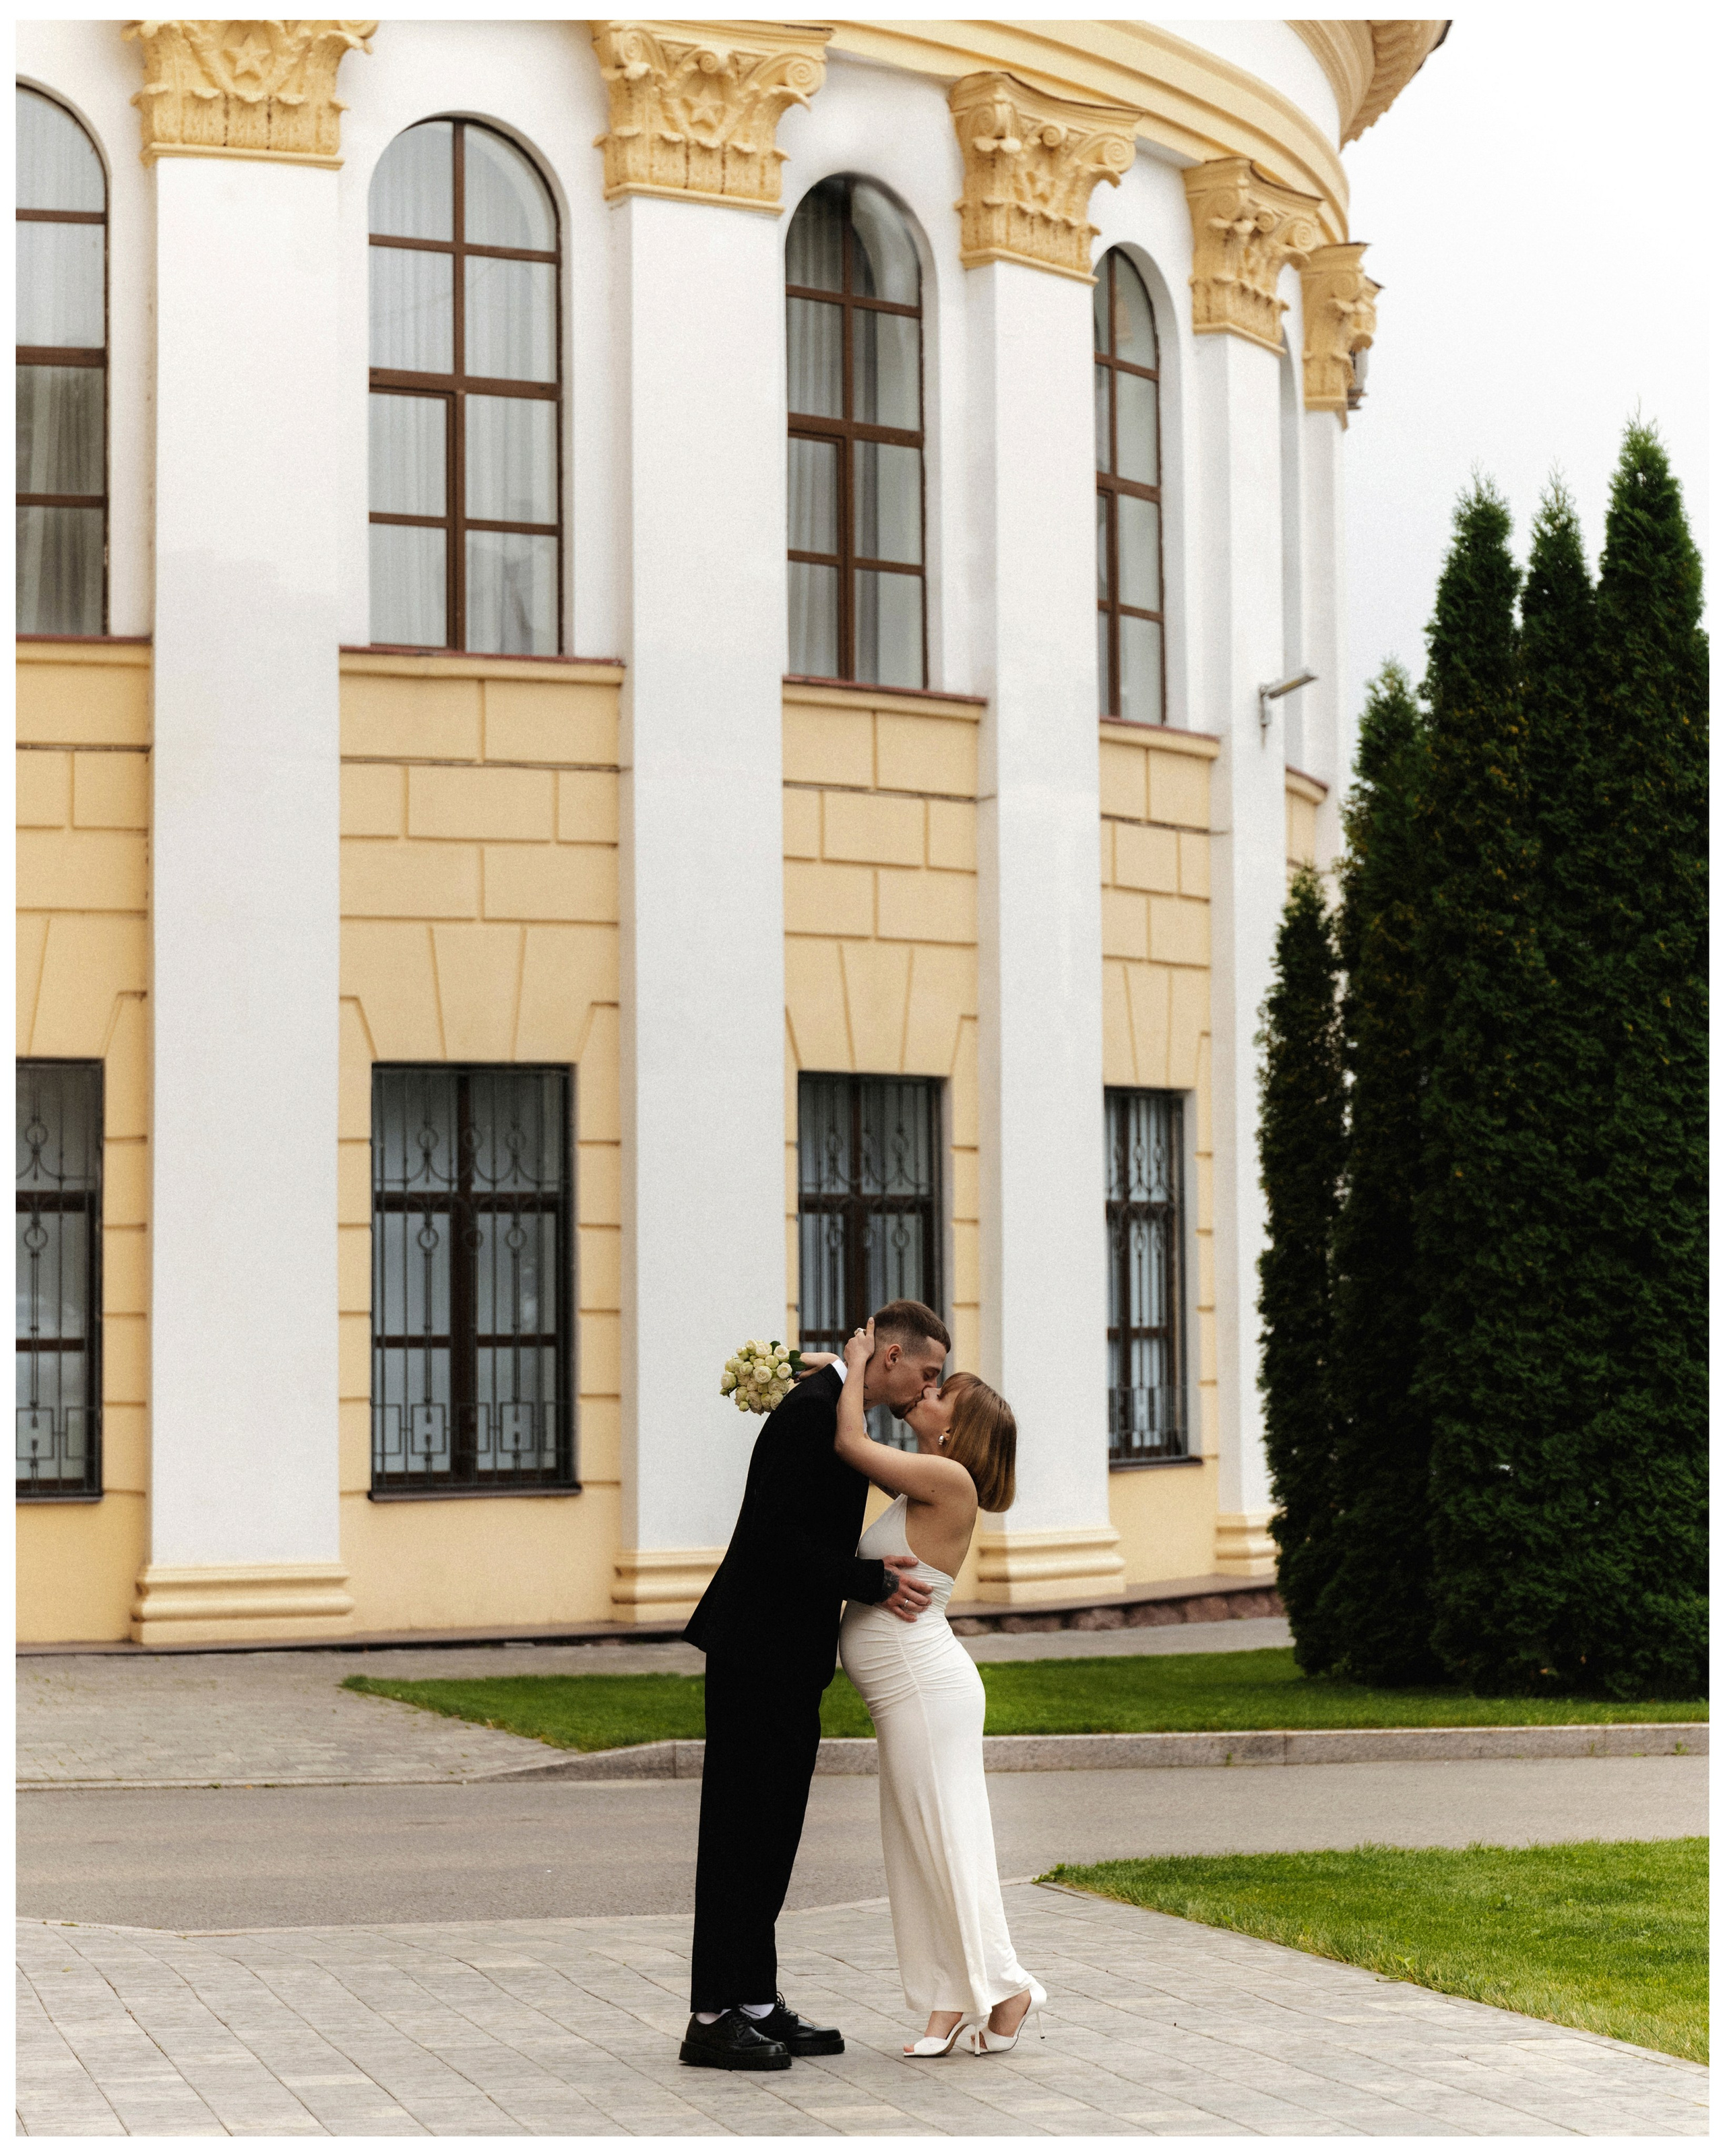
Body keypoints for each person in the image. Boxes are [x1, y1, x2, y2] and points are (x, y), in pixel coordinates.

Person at [678, 1299, 952, 2071]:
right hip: (753, 1650)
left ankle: (755, 2001)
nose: (924, 1390)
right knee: (738, 1832)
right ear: (889, 1357)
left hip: (785, 1655)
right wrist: (867, 1579)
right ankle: (710, 2016)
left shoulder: (828, 1407)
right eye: (925, 1373)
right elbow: (773, 1539)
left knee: (772, 1831)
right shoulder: (807, 1415)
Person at [832, 1320, 1046, 2058]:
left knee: (949, 1842)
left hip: (925, 1687)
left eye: (939, 1391)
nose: (926, 1391)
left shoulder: (949, 1480)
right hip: (905, 1694)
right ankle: (946, 2002)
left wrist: (854, 1365)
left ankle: (1007, 1986)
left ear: (958, 1430)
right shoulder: (929, 1477)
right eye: (928, 1381)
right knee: (915, 1849)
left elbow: (850, 1446)